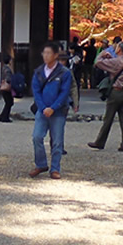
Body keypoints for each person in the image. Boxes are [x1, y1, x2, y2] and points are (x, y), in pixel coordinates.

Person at [29, 41, 72, 179]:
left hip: (58, 111)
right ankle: (41, 163)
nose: (45, 56)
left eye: (48, 53)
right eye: (44, 53)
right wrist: (43, 107)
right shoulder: (39, 72)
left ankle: (55, 168)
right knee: (37, 137)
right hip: (42, 110)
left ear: (55, 55)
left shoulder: (64, 73)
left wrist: (53, 107)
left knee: (57, 141)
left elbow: (64, 93)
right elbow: (36, 91)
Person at [88, 40, 123, 151]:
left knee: (108, 118)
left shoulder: (116, 61)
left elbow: (98, 63)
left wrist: (102, 54)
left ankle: (100, 142)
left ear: (119, 49)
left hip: (115, 92)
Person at [0, 54, 14, 122]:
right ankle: (5, 117)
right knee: (9, 102)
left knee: (8, 102)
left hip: (3, 86)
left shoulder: (3, 67)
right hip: (7, 87)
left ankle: (3, 116)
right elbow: (8, 78)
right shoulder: (8, 69)